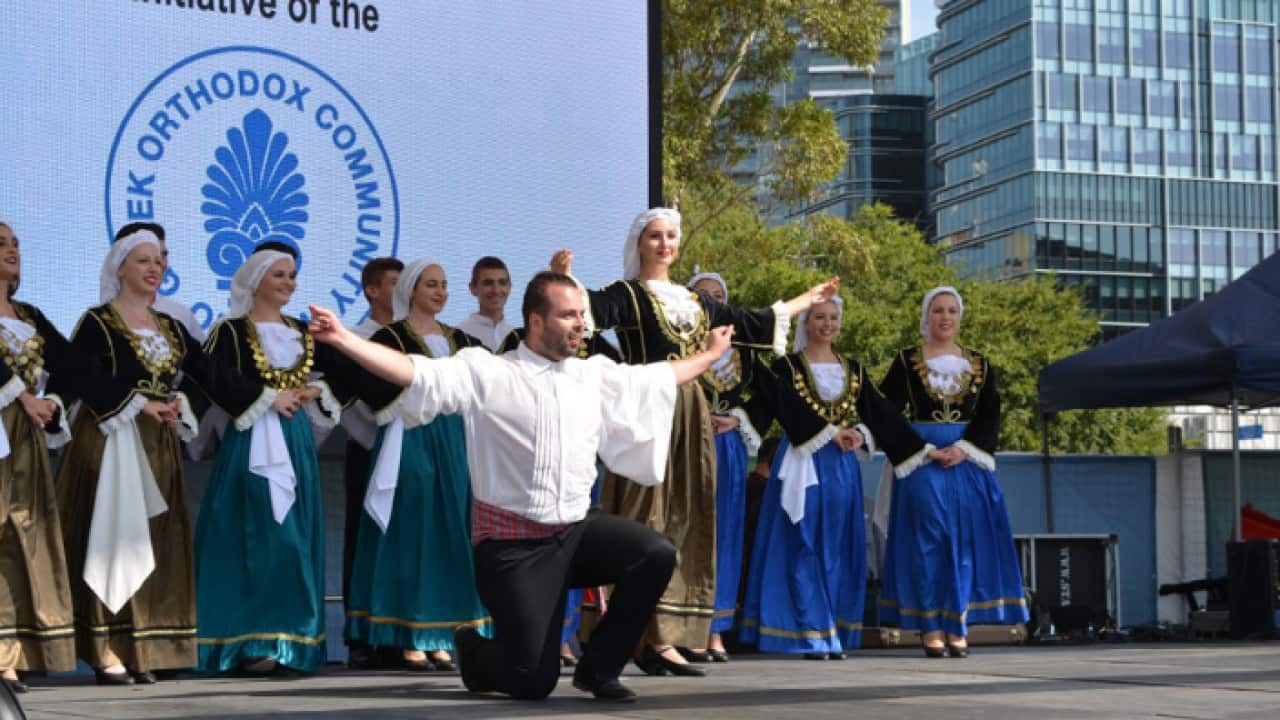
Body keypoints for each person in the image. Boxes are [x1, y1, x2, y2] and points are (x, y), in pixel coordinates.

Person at [307, 271, 736, 702]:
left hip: (575, 532)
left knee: (655, 554)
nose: (580, 325)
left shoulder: (593, 376)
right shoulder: (487, 372)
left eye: (581, 316)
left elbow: (660, 377)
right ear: (535, 320)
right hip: (513, 546)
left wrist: (712, 352)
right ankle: (476, 654)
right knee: (532, 680)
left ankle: (599, 669)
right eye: (568, 315)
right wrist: (343, 338)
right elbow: (414, 372)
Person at [550, 207, 838, 676]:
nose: (665, 244)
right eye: (655, 236)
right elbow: (586, 311)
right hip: (649, 408)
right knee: (647, 516)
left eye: (671, 237)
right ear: (639, 244)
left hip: (692, 412)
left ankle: (666, 637)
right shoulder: (627, 295)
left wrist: (808, 298)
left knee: (686, 516)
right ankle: (634, 632)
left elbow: (753, 321)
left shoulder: (693, 300)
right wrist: (565, 278)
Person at [53, 227, 245, 685]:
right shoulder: (97, 322)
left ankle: (146, 646)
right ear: (119, 269)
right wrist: (139, 403)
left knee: (153, 541)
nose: (155, 267)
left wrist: (184, 405)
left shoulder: (173, 326)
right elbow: (79, 376)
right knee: (113, 536)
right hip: (109, 442)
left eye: (159, 260)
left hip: (158, 446)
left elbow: (208, 375)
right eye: (143, 260)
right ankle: (106, 650)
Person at [740, 297, 931, 659]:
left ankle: (829, 627)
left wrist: (861, 432)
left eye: (832, 318)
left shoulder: (854, 370)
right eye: (818, 317)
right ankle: (806, 630)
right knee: (802, 543)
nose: (827, 324)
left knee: (836, 545)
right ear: (806, 324)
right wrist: (735, 419)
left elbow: (880, 413)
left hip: (841, 466)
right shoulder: (787, 367)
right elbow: (767, 406)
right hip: (801, 462)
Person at [193, 244, 351, 676]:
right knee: (255, 536)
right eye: (279, 274)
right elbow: (209, 376)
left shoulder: (305, 332)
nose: (288, 283)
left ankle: (291, 640)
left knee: (294, 536)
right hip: (250, 445)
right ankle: (250, 639)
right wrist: (264, 397)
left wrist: (317, 391)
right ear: (257, 279)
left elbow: (351, 370)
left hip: (295, 441)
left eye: (292, 275)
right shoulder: (230, 331)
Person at [344, 258, 490, 672]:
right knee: (413, 533)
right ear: (411, 289)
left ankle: (442, 634)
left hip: (454, 442)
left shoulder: (462, 340)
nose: (440, 292)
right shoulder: (390, 336)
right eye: (430, 284)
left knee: (449, 534)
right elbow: (371, 385)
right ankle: (410, 635)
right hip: (408, 440)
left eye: (444, 284)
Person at [877, 286, 1029, 658]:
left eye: (952, 311)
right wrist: (921, 449)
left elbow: (991, 413)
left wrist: (965, 448)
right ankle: (930, 626)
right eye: (938, 311)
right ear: (926, 317)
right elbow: (883, 411)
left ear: (959, 317)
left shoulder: (980, 364)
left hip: (966, 461)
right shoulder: (906, 361)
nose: (945, 317)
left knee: (963, 545)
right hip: (923, 461)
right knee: (928, 543)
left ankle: (956, 624)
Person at [0, 221, 78, 693]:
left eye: (15, 244)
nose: (12, 251)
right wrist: (18, 395)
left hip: (23, 438)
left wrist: (52, 404)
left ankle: (16, 650)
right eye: (0, 244)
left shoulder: (28, 314)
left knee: (23, 535)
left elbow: (75, 365)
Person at [683, 271, 769, 663]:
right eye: (705, 297)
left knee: (726, 534)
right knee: (690, 533)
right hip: (688, 443)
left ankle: (717, 628)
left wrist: (738, 417)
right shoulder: (680, 344)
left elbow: (772, 392)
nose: (714, 303)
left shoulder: (743, 348)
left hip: (728, 446)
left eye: (720, 296)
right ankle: (686, 628)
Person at [341, 256, 402, 670]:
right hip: (369, 448)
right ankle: (362, 635)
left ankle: (399, 629)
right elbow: (347, 400)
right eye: (395, 284)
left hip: (409, 453)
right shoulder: (357, 336)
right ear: (372, 290)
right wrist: (377, 438)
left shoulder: (410, 337)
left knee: (401, 540)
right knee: (363, 540)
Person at [455, 256, 514, 352]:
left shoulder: (519, 338)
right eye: (488, 283)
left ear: (510, 287)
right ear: (473, 288)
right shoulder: (459, 336)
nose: (496, 290)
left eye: (502, 283)